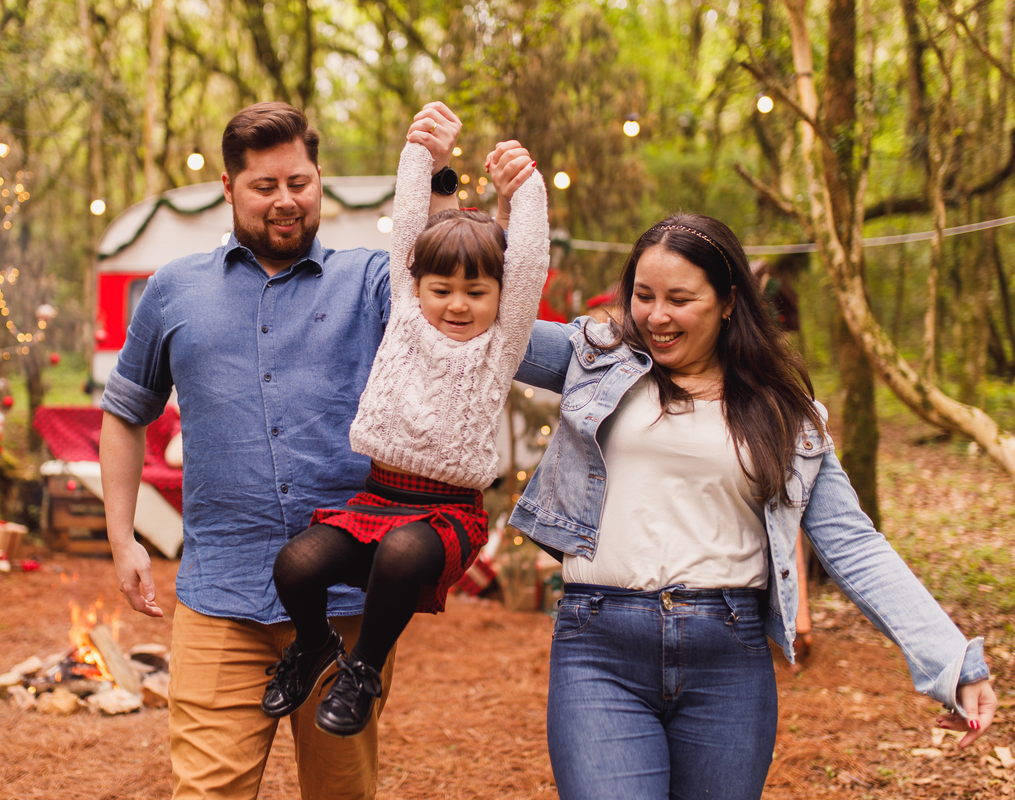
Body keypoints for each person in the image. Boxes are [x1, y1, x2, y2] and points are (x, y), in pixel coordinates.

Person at [508, 213, 997, 800]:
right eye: (643, 296)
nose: (656, 317)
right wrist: (455, 203)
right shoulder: (593, 357)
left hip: (727, 659)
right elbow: (486, 328)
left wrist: (953, 661)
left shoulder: (783, 413)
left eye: (680, 299)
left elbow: (855, 546)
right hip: (599, 647)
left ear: (729, 301)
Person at [99, 100, 461, 800]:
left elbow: (451, 277)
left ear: (318, 179)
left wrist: (439, 177)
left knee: (341, 793)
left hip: (348, 602)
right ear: (229, 189)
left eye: (299, 182)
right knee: (205, 792)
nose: (285, 201)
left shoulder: (368, 282)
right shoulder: (175, 290)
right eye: (265, 186)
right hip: (219, 601)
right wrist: (123, 539)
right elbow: (124, 413)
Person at [260, 139, 547, 738]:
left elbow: (527, 264)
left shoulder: (499, 347)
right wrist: (421, 151)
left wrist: (524, 189)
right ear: (417, 287)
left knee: (398, 555)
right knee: (295, 565)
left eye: (477, 293)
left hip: (445, 515)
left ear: (500, 298)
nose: (458, 306)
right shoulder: (403, 313)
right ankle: (315, 645)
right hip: (376, 500)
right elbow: (410, 224)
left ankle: (362, 671)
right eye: (442, 290)